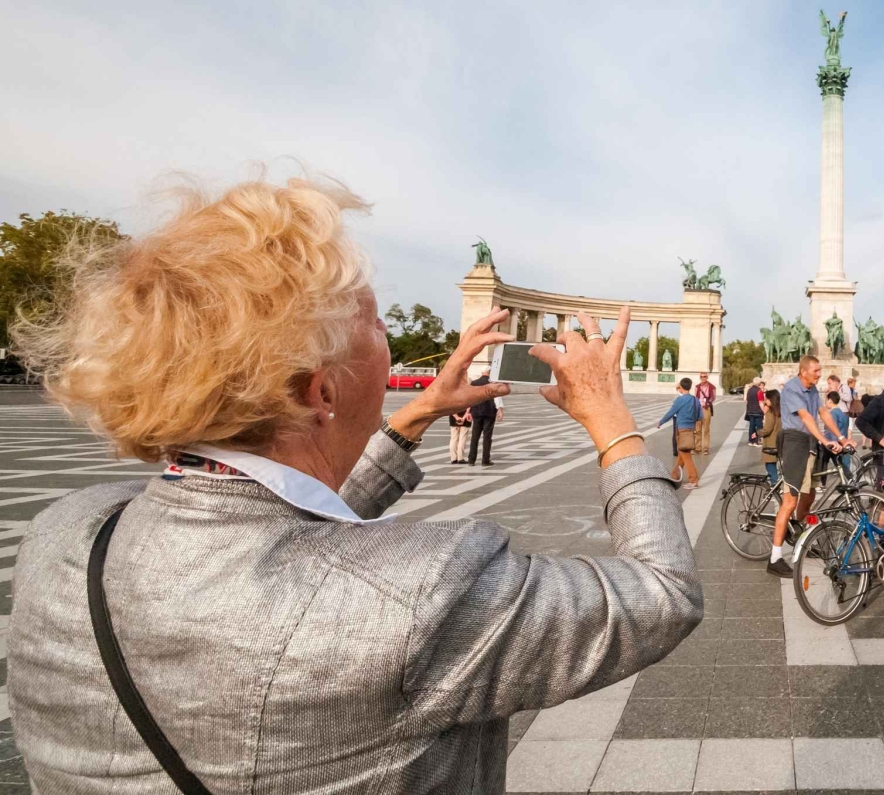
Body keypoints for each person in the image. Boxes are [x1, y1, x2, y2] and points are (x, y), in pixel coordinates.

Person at [7, 177, 701, 793]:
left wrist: (416, 415)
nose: (389, 333)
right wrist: (610, 419)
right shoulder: (425, 595)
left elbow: (279, 539)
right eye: (374, 322)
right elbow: (662, 594)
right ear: (323, 391)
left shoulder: (66, 536)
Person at [768, 356, 849, 577]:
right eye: (815, 371)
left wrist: (841, 438)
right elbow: (805, 417)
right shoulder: (792, 389)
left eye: (820, 370)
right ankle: (775, 558)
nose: (819, 374)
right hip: (794, 442)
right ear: (803, 371)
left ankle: (797, 533)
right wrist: (825, 440)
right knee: (790, 501)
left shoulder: (812, 389)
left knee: (810, 494)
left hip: (810, 443)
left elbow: (823, 413)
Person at [657, 377, 703, 487]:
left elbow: (670, 413)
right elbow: (700, 416)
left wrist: (661, 422)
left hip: (682, 429)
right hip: (691, 429)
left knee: (685, 455)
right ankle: (674, 475)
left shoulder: (680, 400)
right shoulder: (695, 400)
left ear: (681, 387)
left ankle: (693, 480)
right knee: (683, 454)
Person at [467, 373, 500, 466]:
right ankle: (485, 459)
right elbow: (497, 398)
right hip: (489, 412)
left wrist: (468, 411)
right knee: (487, 437)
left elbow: (470, 397)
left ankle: (471, 460)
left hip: (476, 411)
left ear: (482, 373)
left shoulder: (474, 383)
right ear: (489, 372)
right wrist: (499, 409)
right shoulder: (493, 383)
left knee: (475, 436)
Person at [759, 388, 782, 481]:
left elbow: (768, 428)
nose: (765, 400)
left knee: (770, 465)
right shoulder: (780, 411)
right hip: (779, 441)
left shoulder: (771, 412)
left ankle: (774, 484)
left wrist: (758, 433)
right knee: (775, 464)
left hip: (770, 442)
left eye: (766, 398)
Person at [692, 372, 716, 457]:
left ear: (707, 377)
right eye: (701, 377)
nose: (703, 378)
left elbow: (713, 397)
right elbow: (695, 397)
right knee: (698, 429)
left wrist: (707, 402)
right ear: (700, 378)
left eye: (704, 376)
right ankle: (697, 448)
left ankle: (705, 448)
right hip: (698, 409)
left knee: (706, 429)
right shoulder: (697, 387)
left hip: (706, 409)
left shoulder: (712, 387)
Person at [744, 379, 765, 445]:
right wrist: (764, 411)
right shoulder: (759, 391)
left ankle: (751, 440)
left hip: (750, 411)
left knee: (751, 427)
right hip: (758, 411)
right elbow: (761, 402)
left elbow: (747, 401)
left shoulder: (749, 390)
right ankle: (757, 441)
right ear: (759, 383)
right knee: (759, 427)